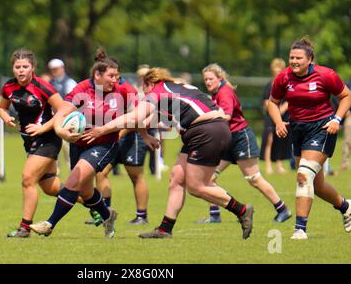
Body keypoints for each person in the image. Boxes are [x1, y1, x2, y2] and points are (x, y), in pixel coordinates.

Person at [82, 67, 254, 239]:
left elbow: (135, 117)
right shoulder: (175, 89)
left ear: (149, 84)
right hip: (204, 130)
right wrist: (145, 135)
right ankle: (165, 229)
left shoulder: (157, 92)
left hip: (206, 131)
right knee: (177, 177)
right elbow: (147, 121)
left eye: (144, 89)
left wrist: (102, 129)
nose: (144, 94)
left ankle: (242, 210)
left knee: (196, 187)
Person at [29, 49, 138, 238]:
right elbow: (62, 112)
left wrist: (135, 133)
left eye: (118, 76)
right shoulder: (82, 89)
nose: (116, 80)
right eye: (111, 76)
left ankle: (49, 223)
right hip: (78, 142)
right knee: (86, 191)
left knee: (73, 181)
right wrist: (61, 130)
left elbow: (139, 115)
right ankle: (107, 215)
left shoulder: (124, 89)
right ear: (97, 75)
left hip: (105, 144)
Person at [268, 37, 351, 240]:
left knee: (304, 175)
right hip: (298, 130)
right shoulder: (284, 77)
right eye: (291, 58)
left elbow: (346, 96)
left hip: (322, 129)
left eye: (298, 58)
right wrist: (279, 122)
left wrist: (337, 119)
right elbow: (272, 102)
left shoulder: (326, 75)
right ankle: (347, 207)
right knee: (318, 185)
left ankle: (299, 229)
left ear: (310, 59)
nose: (294, 61)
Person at [196, 64, 291, 224]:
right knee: (208, 177)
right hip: (227, 141)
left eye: (211, 78)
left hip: (241, 138)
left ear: (220, 78)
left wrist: (203, 120)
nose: (208, 82)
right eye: (205, 79)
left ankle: (283, 210)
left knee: (254, 179)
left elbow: (226, 115)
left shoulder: (225, 92)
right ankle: (214, 215)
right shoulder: (216, 93)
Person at [0, 49, 66, 238]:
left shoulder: (43, 87)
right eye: (17, 67)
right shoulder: (9, 87)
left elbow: (64, 110)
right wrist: (5, 117)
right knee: (50, 188)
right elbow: (1, 108)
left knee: (28, 178)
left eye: (25, 67)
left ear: (33, 68)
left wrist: (42, 129)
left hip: (48, 139)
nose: (21, 70)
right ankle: (97, 204)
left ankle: (24, 227)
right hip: (29, 141)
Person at [85, 58, 150, 226]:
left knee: (135, 175)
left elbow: (136, 117)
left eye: (115, 75)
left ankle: (141, 215)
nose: (112, 79)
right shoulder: (99, 89)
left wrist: (120, 132)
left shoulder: (126, 89)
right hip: (111, 137)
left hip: (131, 136)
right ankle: (105, 212)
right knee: (100, 172)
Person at [260, 58, 293, 174]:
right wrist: (273, 110)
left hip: (283, 116)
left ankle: (279, 165)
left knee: (280, 138)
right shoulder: (269, 85)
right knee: (269, 139)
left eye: (280, 67)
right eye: (276, 67)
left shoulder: (287, 84)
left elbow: (289, 99)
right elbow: (265, 101)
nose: (278, 69)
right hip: (270, 116)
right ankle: (268, 165)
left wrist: (282, 110)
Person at [47, 58, 78, 170]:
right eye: (52, 69)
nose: (54, 71)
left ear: (62, 68)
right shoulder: (49, 83)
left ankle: (73, 177)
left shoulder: (70, 83)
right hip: (52, 121)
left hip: (67, 121)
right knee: (53, 151)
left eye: (56, 69)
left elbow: (75, 103)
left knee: (68, 150)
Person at [341, 79, 351, 171]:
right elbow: (340, 96)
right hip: (350, 116)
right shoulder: (348, 84)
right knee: (348, 141)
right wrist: (345, 110)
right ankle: (344, 163)